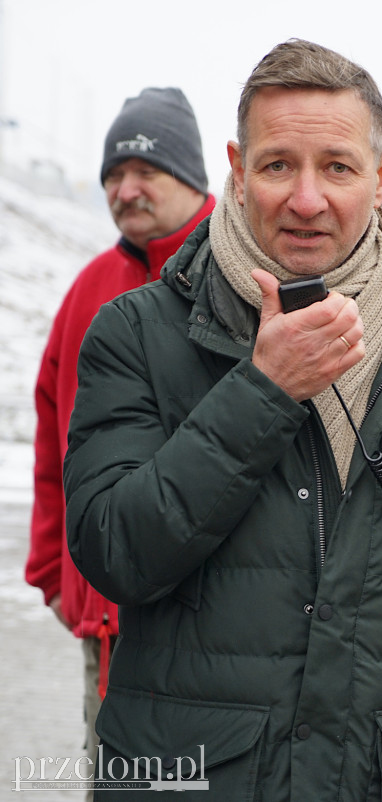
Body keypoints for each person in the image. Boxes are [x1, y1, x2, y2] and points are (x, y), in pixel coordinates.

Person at [62, 39, 382, 801]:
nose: (307, 199)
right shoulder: (134, 333)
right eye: (277, 166)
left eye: (337, 166)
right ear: (237, 170)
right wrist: (264, 390)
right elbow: (115, 551)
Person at [25, 86, 214, 778]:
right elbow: (54, 437)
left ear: (194, 177)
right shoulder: (88, 288)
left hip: (211, 623)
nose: (125, 189)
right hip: (103, 625)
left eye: (145, 172)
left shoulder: (241, 274)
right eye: (113, 174)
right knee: (116, 778)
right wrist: (52, 570)